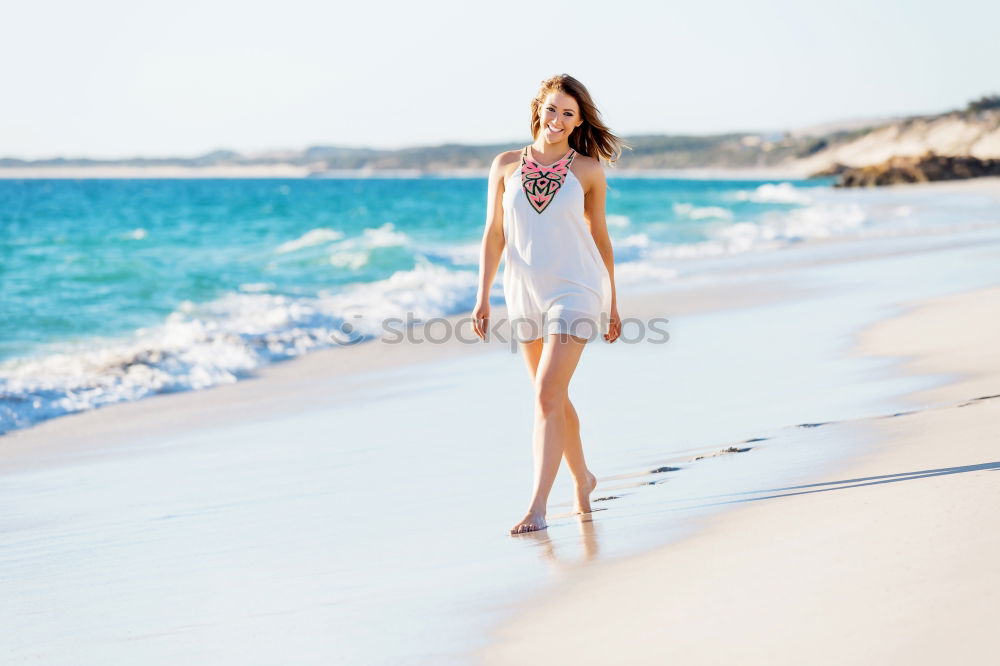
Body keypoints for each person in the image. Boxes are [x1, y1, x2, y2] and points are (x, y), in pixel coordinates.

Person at [471, 73, 627, 535]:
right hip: (523, 293)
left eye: (569, 114)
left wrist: (614, 303)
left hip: (576, 288)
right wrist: (482, 295)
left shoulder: (588, 170)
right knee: (553, 397)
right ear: (539, 106)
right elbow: (494, 234)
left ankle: (537, 507)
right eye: (553, 108)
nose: (557, 120)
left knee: (544, 395)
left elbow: (600, 237)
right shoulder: (503, 166)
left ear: (579, 122)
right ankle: (584, 478)